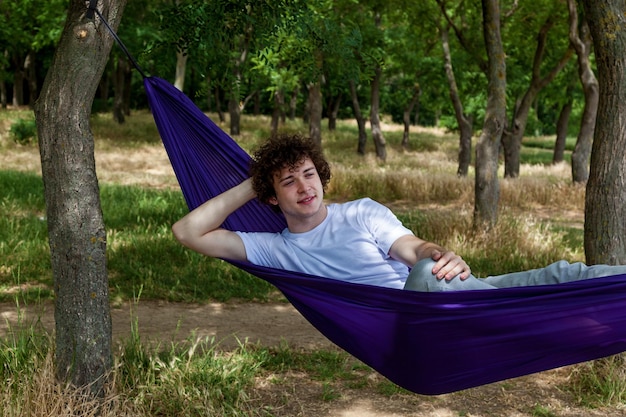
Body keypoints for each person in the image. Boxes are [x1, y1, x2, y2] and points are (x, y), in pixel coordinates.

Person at [172, 134, 626, 291]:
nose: (303, 187)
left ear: (321, 176)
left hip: (449, 293)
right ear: (271, 196)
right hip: (409, 320)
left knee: (562, 275)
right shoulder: (273, 249)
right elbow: (188, 231)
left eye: (308, 174)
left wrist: (435, 251)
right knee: (429, 276)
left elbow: (410, 248)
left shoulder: (362, 213)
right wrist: (250, 184)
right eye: (287, 181)